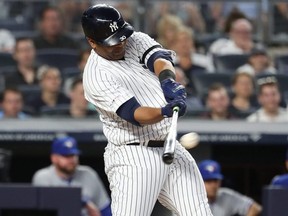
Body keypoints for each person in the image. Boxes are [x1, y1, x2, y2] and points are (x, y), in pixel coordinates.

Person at [81, 4, 212, 216]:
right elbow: (135, 114)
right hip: (134, 155)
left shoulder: (133, 39)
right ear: (92, 42)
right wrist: (165, 110)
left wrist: (168, 82)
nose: (120, 44)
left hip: (170, 146)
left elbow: (159, 59)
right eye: (113, 42)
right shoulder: (96, 76)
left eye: (121, 37)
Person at [32, 136, 112, 216]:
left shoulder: (89, 174)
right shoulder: (43, 176)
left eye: (73, 155)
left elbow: (104, 209)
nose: (72, 160)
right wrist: (84, 201)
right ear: (54, 158)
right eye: (66, 156)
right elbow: (48, 207)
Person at [198, 159, 262, 216]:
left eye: (215, 180)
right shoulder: (192, 199)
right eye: (208, 181)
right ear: (199, 182)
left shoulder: (226, 196)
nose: (213, 185)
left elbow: (255, 208)